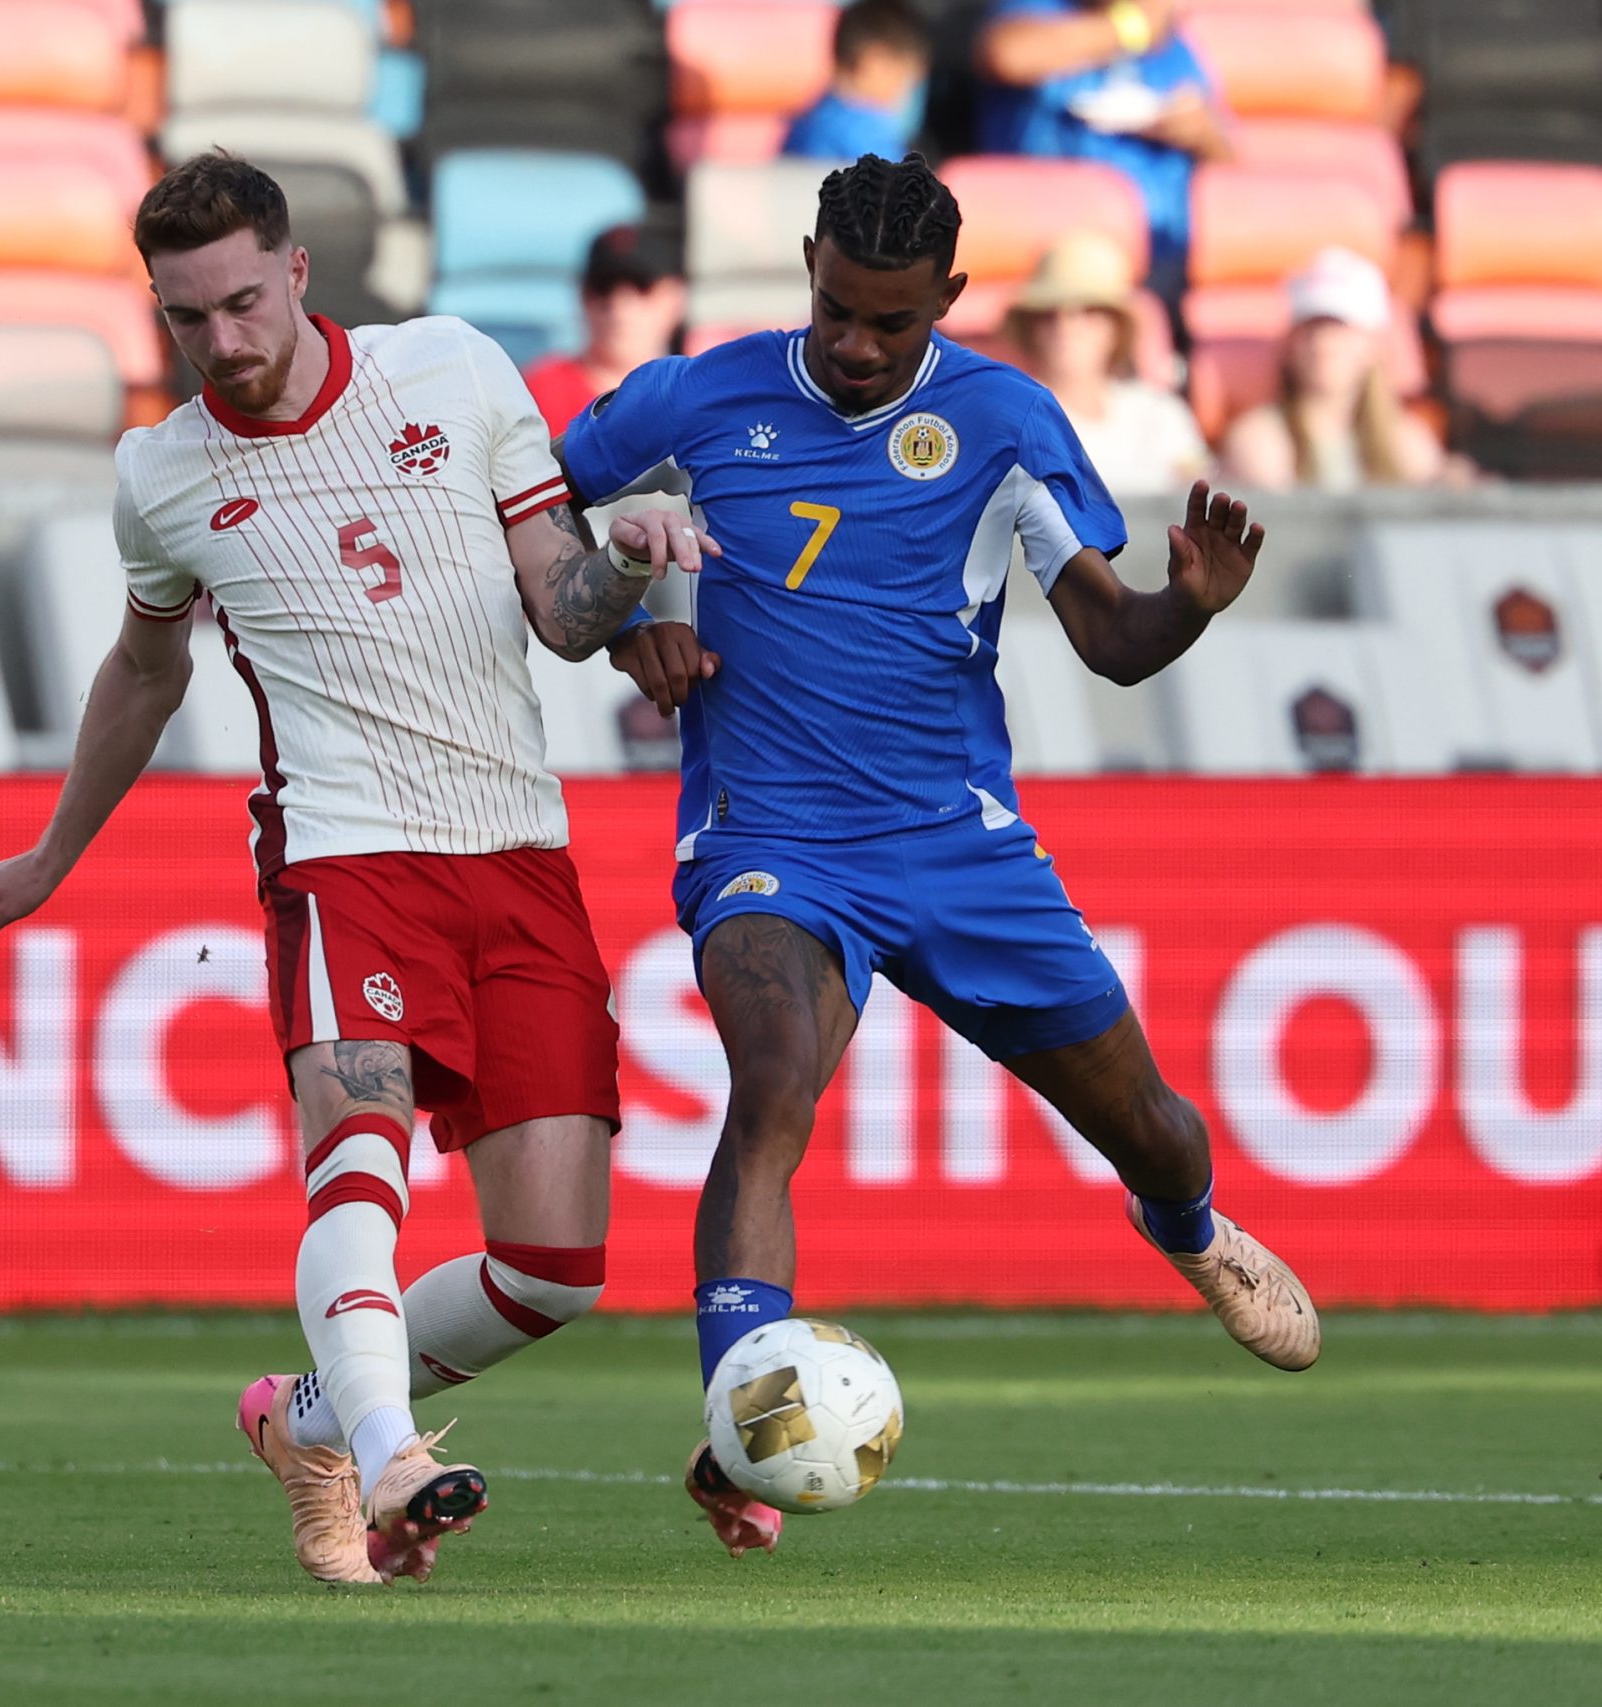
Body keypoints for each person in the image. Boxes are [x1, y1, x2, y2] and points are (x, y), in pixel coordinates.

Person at [0, 153, 711, 1587]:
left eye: (237, 302)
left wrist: (638, 557)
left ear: (296, 270)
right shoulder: (162, 476)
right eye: (184, 320)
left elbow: (563, 611)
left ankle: (309, 1418)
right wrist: (52, 852)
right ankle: (395, 1453)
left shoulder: (454, 372)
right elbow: (144, 673)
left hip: (518, 850)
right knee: (359, 1148)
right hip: (344, 852)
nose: (220, 343)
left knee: (553, 1269)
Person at [579, 153, 1321, 1560]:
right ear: (806, 263)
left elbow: (1109, 641)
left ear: (952, 300)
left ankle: (1195, 1229)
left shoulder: (1002, 419)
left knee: (1156, 1125)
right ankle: (745, 1422)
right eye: (839, 310)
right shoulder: (696, 395)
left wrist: (1193, 606)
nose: (857, 347)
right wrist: (631, 614)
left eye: (893, 323)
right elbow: (533, 515)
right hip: (769, 838)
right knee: (771, 1084)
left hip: (958, 849)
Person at [976, 0, 1230, 303]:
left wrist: (1204, 134)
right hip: (1051, 261)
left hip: (1160, 263)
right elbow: (1008, 55)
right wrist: (1133, 28)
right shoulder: (1038, 12)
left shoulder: (1174, 50)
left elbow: (1234, 170)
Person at [1001, 228, 1208, 499]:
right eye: (1049, 314)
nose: (1067, 326)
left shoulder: (1160, 413)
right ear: (1031, 328)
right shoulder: (1009, 419)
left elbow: (1198, 497)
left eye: (1089, 311)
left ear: (1115, 329)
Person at [1220, 246, 1446, 492]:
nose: (1323, 344)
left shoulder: (1410, 446)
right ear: (1290, 345)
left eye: (1339, 329)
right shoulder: (1260, 442)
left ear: (1372, 345)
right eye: (1311, 329)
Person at [521, 225, 689, 435]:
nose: (619, 309)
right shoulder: (539, 394)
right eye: (603, 289)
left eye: (642, 289)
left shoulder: (703, 397)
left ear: (675, 298)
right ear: (582, 296)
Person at [782, 0, 932, 163]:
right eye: (904, 78)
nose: (904, 93)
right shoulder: (868, 134)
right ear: (875, 63)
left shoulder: (806, 123)